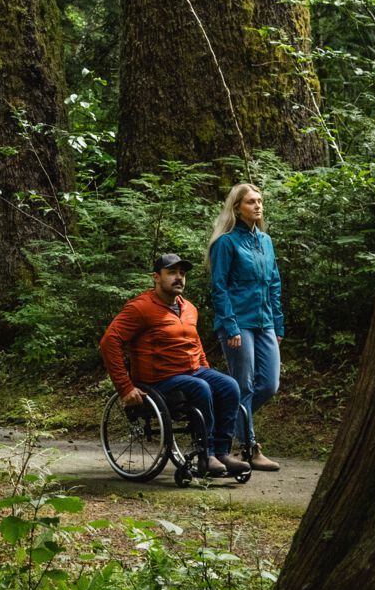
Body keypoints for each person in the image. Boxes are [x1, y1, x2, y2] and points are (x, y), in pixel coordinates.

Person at [99, 252, 249, 481]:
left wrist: (207, 370)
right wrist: (125, 387)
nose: (179, 277)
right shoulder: (140, 308)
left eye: (182, 273)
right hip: (159, 379)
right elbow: (109, 341)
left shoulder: (189, 308)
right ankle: (205, 455)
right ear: (156, 277)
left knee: (229, 386)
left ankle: (221, 452)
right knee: (201, 387)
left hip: (192, 371)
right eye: (172, 272)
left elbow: (195, 343)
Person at [208, 181, 284, 471]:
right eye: (251, 202)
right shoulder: (226, 243)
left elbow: (274, 283)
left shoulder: (265, 241)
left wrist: (278, 324)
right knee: (244, 385)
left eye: (260, 201)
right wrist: (230, 326)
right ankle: (249, 448)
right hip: (238, 323)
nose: (258, 206)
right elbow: (219, 288)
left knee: (269, 384)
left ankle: (224, 417)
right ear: (237, 208)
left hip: (264, 322)